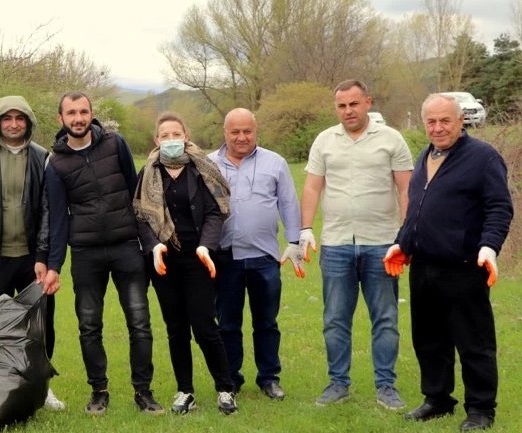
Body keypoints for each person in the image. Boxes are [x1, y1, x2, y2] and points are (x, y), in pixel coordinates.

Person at [386, 94, 513, 431]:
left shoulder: (483, 157)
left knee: (474, 342)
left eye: (445, 121)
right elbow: (417, 208)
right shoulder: (425, 155)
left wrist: (489, 247)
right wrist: (402, 243)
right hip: (424, 266)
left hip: (464, 267)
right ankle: (437, 399)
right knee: (429, 339)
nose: (438, 128)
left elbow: (500, 208)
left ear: (461, 121)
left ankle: (481, 409)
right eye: (431, 121)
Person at [45, 91, 164, 416]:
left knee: (140, 323)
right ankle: (99, 391)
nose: (78, 118)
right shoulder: (55, 163)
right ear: (61, 119)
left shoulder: (116, 144)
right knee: (89, 325)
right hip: (85, 254)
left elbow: (135, 194)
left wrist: (147, 242)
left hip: (127, 247)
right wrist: (54, 264)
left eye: (83, 111)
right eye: (71, 113)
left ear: (91, 114)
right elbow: (57, 218)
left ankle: (144, 392)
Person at [299, 79, 413, 409]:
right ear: (336, 108)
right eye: (341, 106)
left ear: (367, 102)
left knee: (386, 318)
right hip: (336, 244)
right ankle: (338, 383)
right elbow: (311, 188)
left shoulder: (391, 139)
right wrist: (306, 228)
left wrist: (405, 236)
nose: (348, 111)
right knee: (335, 318)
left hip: (382, 243)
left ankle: (386, 386)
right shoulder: (324, 140)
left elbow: (407, 189)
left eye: (354, 104)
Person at [0, 95, 64, 410]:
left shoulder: (43, 157)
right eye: (7, 118)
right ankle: (1, 388)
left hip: (34, 262)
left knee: (41, 326)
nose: (14, 124)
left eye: (20, 118)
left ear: (28, 121)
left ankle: (42, 387)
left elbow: (48, 211)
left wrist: (43, 257)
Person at [133, 112, 237, 415]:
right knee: (176, 328)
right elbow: (141, 217)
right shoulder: (148, 172)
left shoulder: (203, 169)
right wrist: (153, 248)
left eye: (175, 134)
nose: (170, 140)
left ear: (186, 136)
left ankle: (225, 388)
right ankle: (185, 390)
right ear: (156, 140)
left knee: (205, 326)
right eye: (164, 135)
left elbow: (215, 213)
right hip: (165, 261)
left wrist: (207, 246)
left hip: (199, 258)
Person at [209, 108, 304, 401]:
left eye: (247, 131)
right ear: (225, 133)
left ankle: (269, 377)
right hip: (225, 257)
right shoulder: (209, 164)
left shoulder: (274, 162)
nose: (241, 137)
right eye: (234, 132)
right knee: (227, 323)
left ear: (256, 131)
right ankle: (231, 378)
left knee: (266, 321)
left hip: (265, 257)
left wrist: (295, 241)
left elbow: (288, 203)